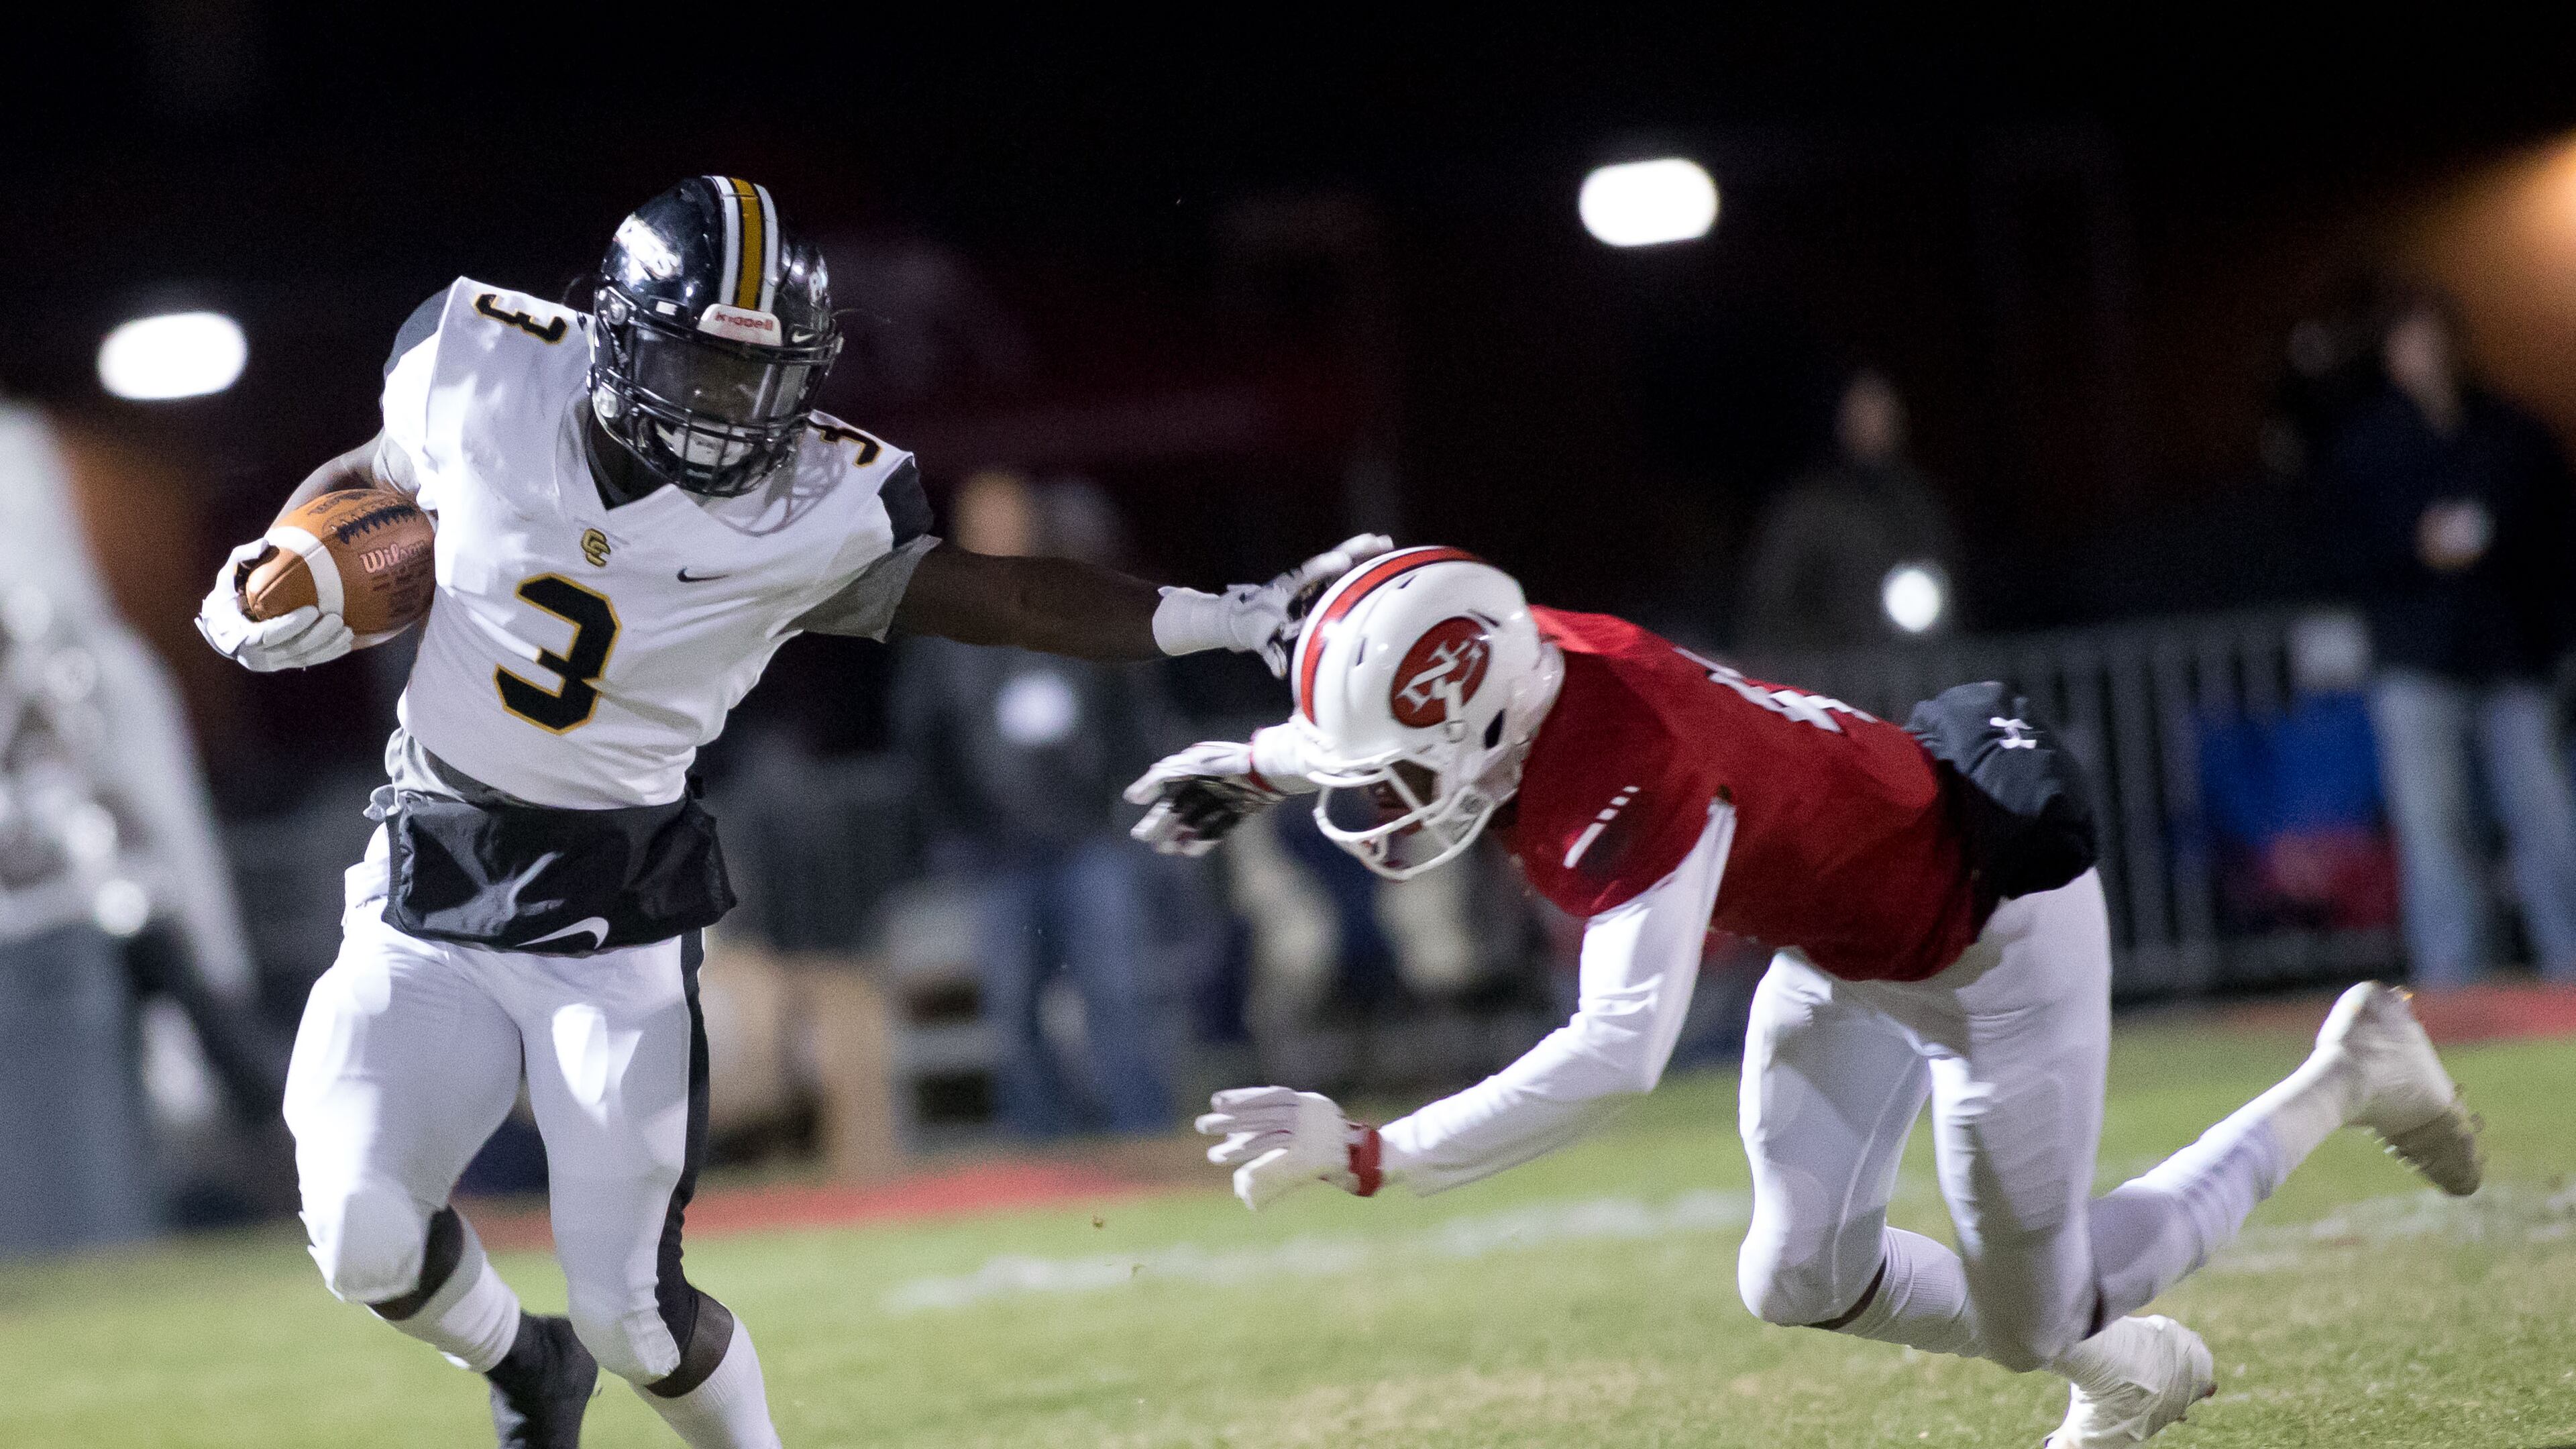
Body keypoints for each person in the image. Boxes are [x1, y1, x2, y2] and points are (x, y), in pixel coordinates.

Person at [191, 176, 1387, 1449]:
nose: (730, 418)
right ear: (613, 338)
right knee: (364, 1236)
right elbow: (378, 474)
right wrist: (275, 565)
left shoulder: (815, 506)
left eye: (759, 384)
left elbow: (1013, 601)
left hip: (614, 920)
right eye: (701, 373)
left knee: (636, 1318)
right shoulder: (478, 365)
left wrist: (1235, 616)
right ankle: (521, 1363)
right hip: (426, 882)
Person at [1126, 546, 2483, 1448]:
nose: (1383, 794)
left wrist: (1374, 1155)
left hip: (1991, 949)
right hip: (1848, 937)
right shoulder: (1523, 653)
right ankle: (2127, 1367)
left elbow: (1614, 1051)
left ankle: (2353, 1071)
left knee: (2033, 1318)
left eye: (1395, 766)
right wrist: (1263, 763)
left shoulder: (1623, 766)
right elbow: (1405, 667)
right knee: (1794, 1274)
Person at [894, 470, 1179, 1136]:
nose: (997, 534)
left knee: (1119, 994)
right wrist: (955, 837)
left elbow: (1132, 713)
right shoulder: (945, 630)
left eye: (1009, 519)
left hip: (1091, 840)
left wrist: (1125, 811)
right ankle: (1042, 1157)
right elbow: (924, 744)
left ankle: (1145, 1140)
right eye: (983, 522)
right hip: (998, 854)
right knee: (1015, 1013)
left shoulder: (1074, 601)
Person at [2324, 289, 2576, 985]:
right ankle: (2454, 986)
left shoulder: (2512, 431)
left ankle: (2569, 973)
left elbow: (2555, 537)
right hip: (2418, 659)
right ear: (2391, 354)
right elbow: (2341, 551)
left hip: (2512, 656)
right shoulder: (2369, 443)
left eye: (2436, 337)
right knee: (2436, 832)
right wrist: (2417, 546)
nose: (2428, 353)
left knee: (2549, 822)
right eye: (2411, 340)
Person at [1736, 370, 1962, 649]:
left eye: (1883, 413)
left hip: (1905, 671)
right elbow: (1770, 603)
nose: (1874, 424)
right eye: (1863, 413)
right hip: (1832, 675)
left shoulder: (1918, 504)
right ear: (1843, 423)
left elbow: (1945, 590)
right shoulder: (1807, 508)